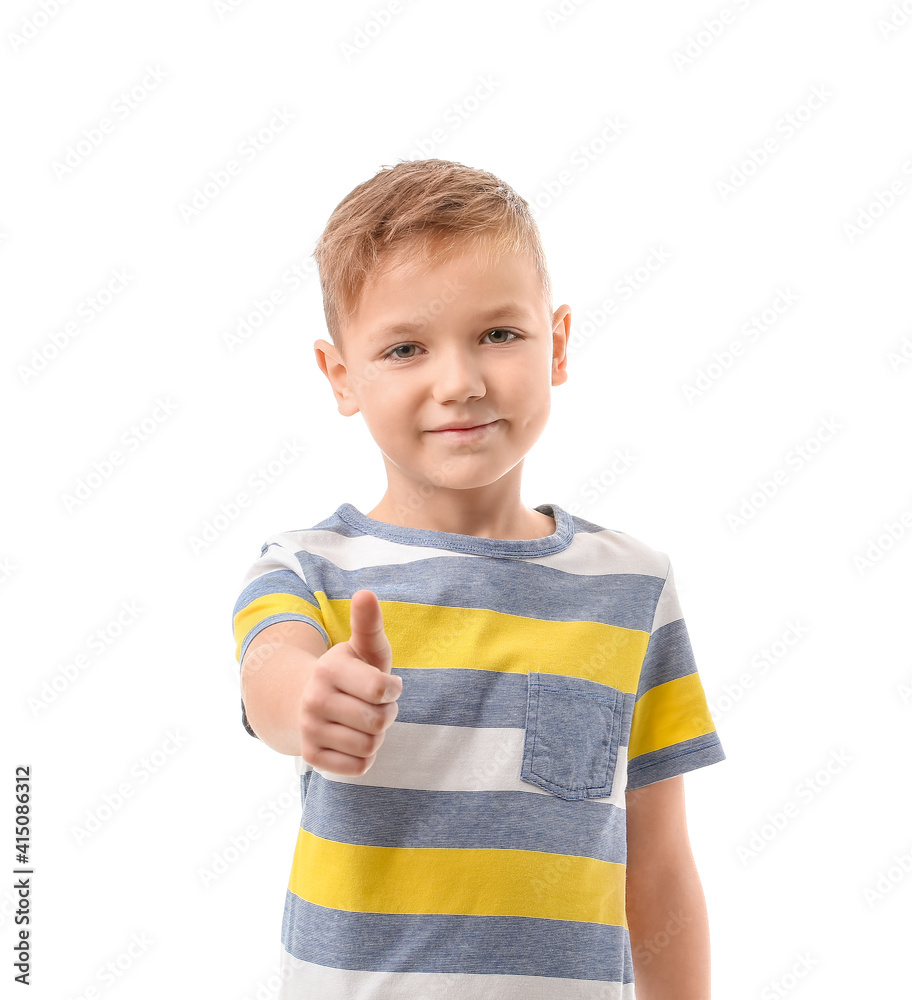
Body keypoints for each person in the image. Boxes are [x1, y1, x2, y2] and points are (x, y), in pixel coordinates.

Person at [231, 158, 726, 999]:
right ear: (341, 375)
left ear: (557, 343)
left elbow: (659, 861)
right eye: (404, 348)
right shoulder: (306, 568)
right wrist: (313, 696)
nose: (459, 382)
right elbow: (271, 673)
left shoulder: (634, 586)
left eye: (498, 334)